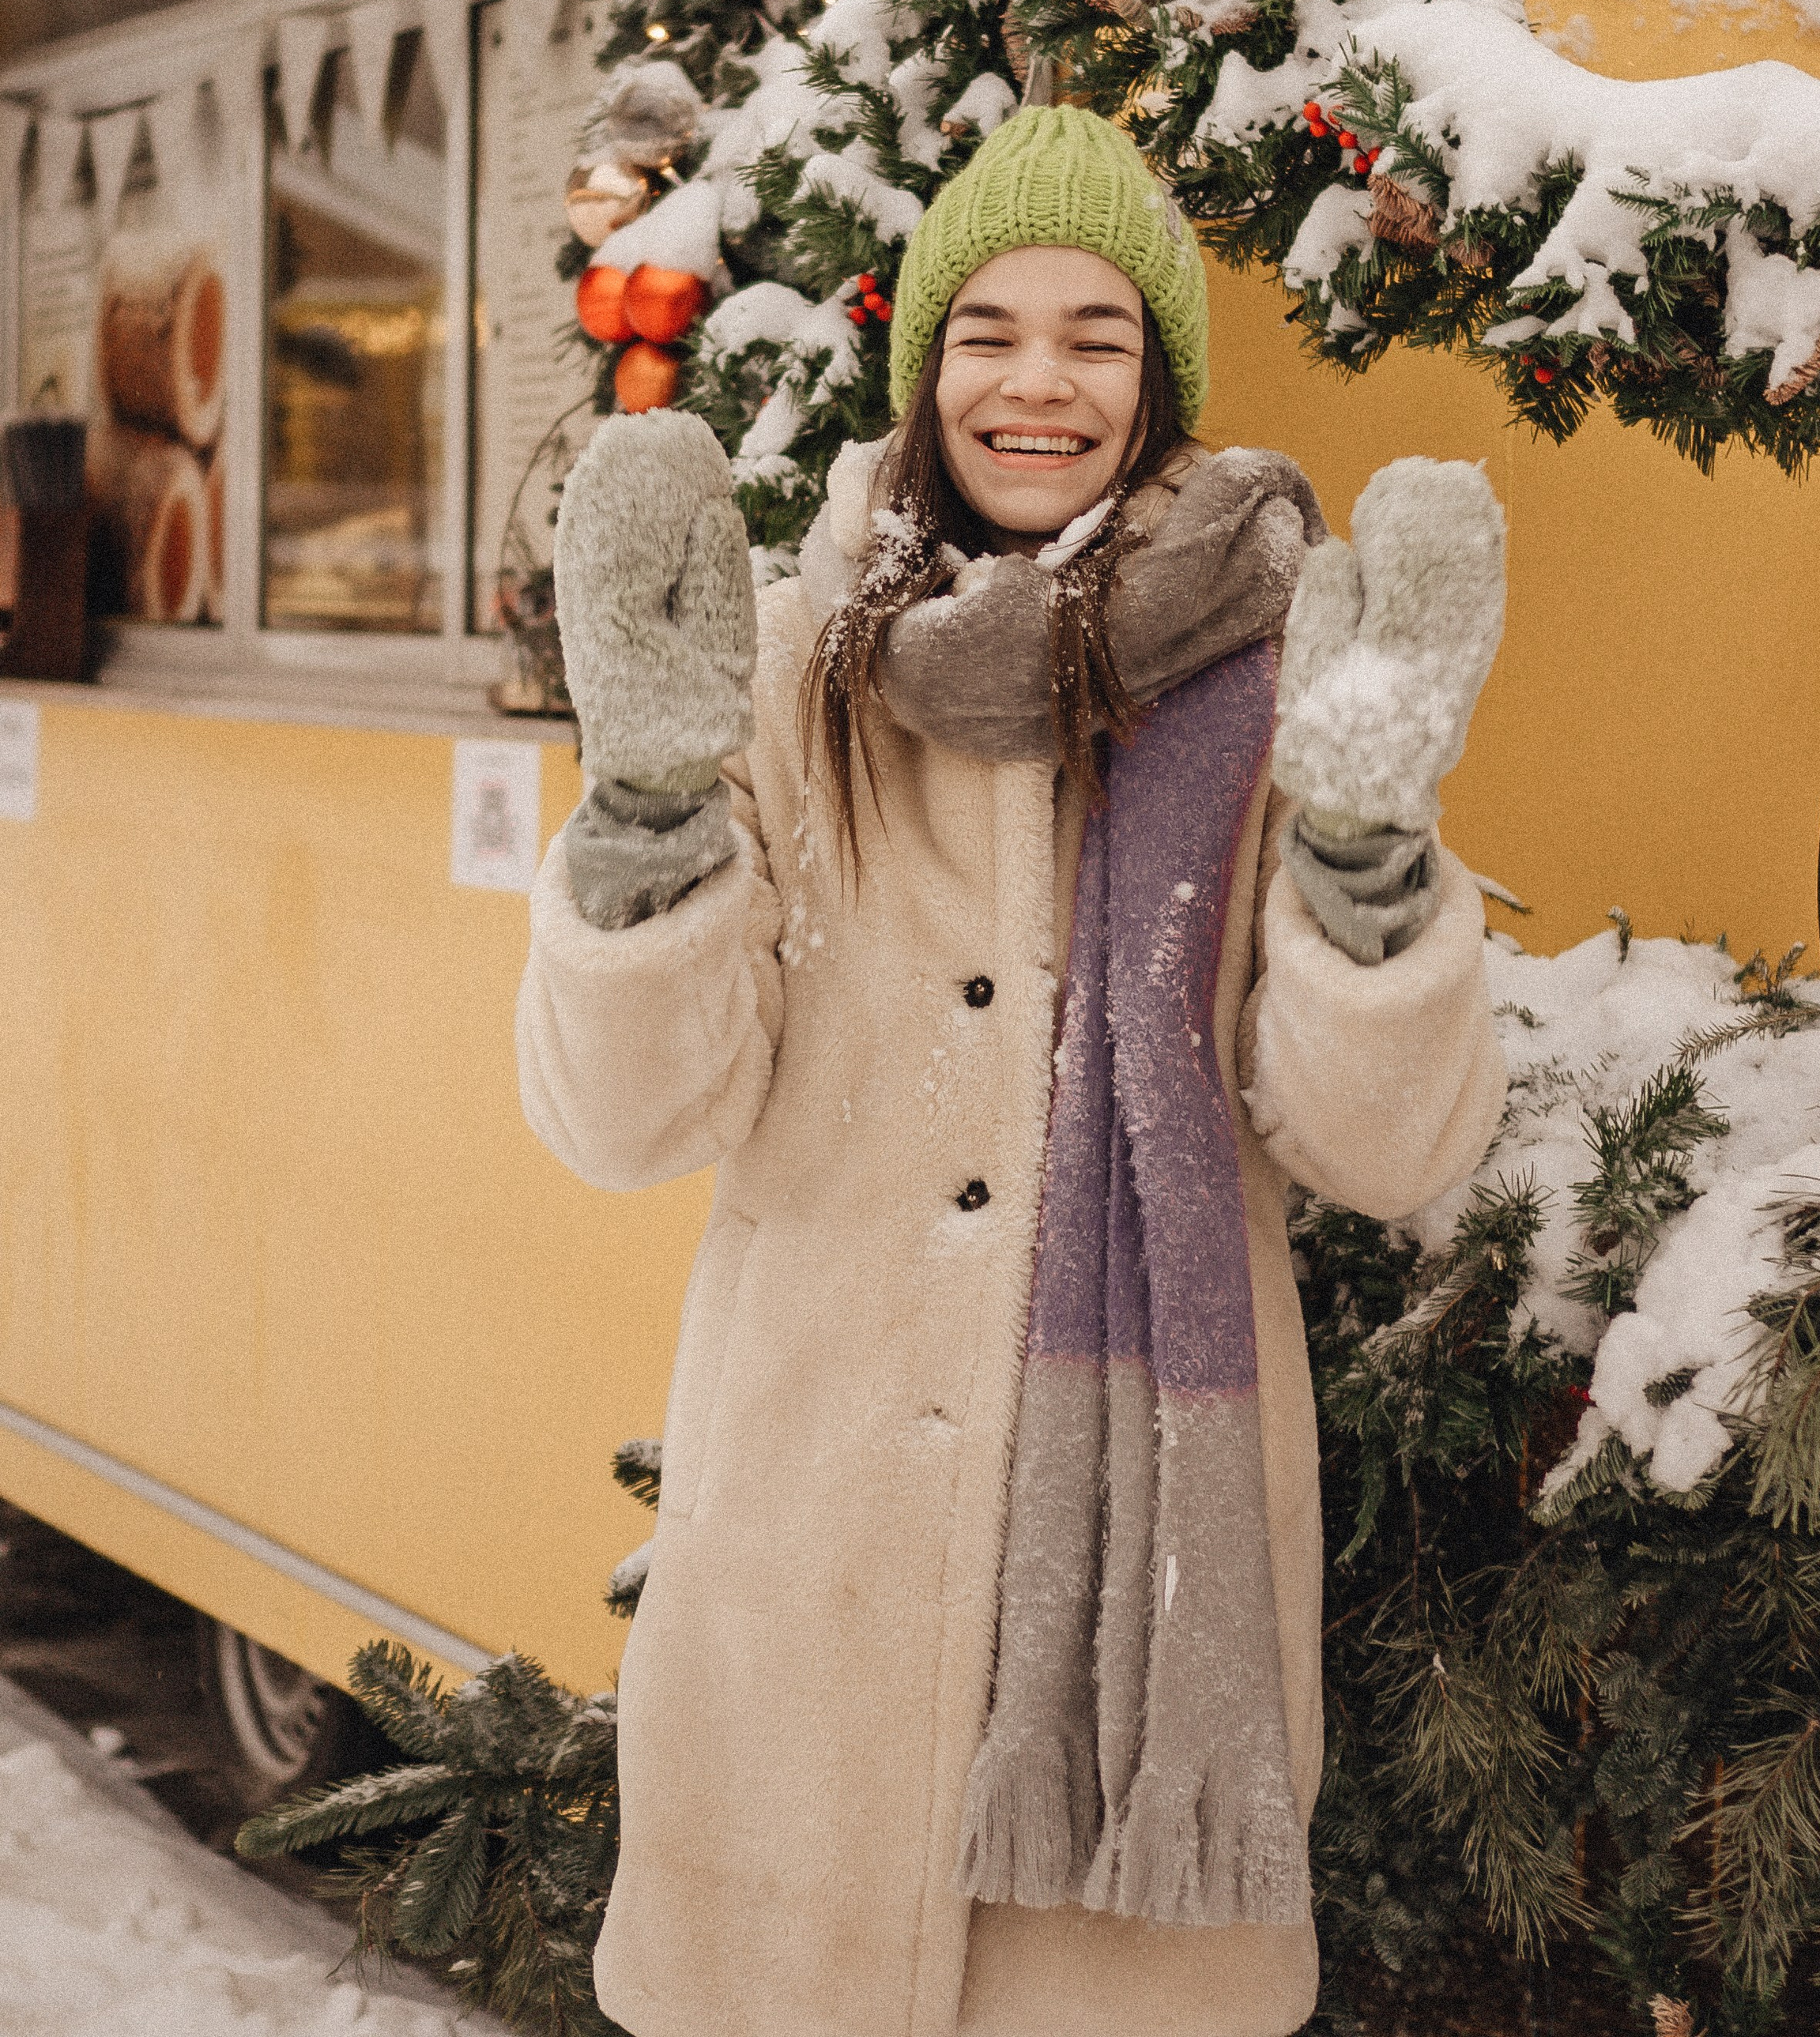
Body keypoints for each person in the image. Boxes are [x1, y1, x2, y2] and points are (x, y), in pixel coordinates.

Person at [517, 104, 1509, 2037]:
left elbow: (1381, 1148)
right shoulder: (781, 668)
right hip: (806, 1602)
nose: (1035, 382)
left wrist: (1365, 859)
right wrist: (642, 809)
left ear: (1157, 382)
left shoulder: (1277, 682)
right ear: (923, 369)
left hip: (1144, 1624)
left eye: (1093, 336)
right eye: (985, 332)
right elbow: (629, 1121)